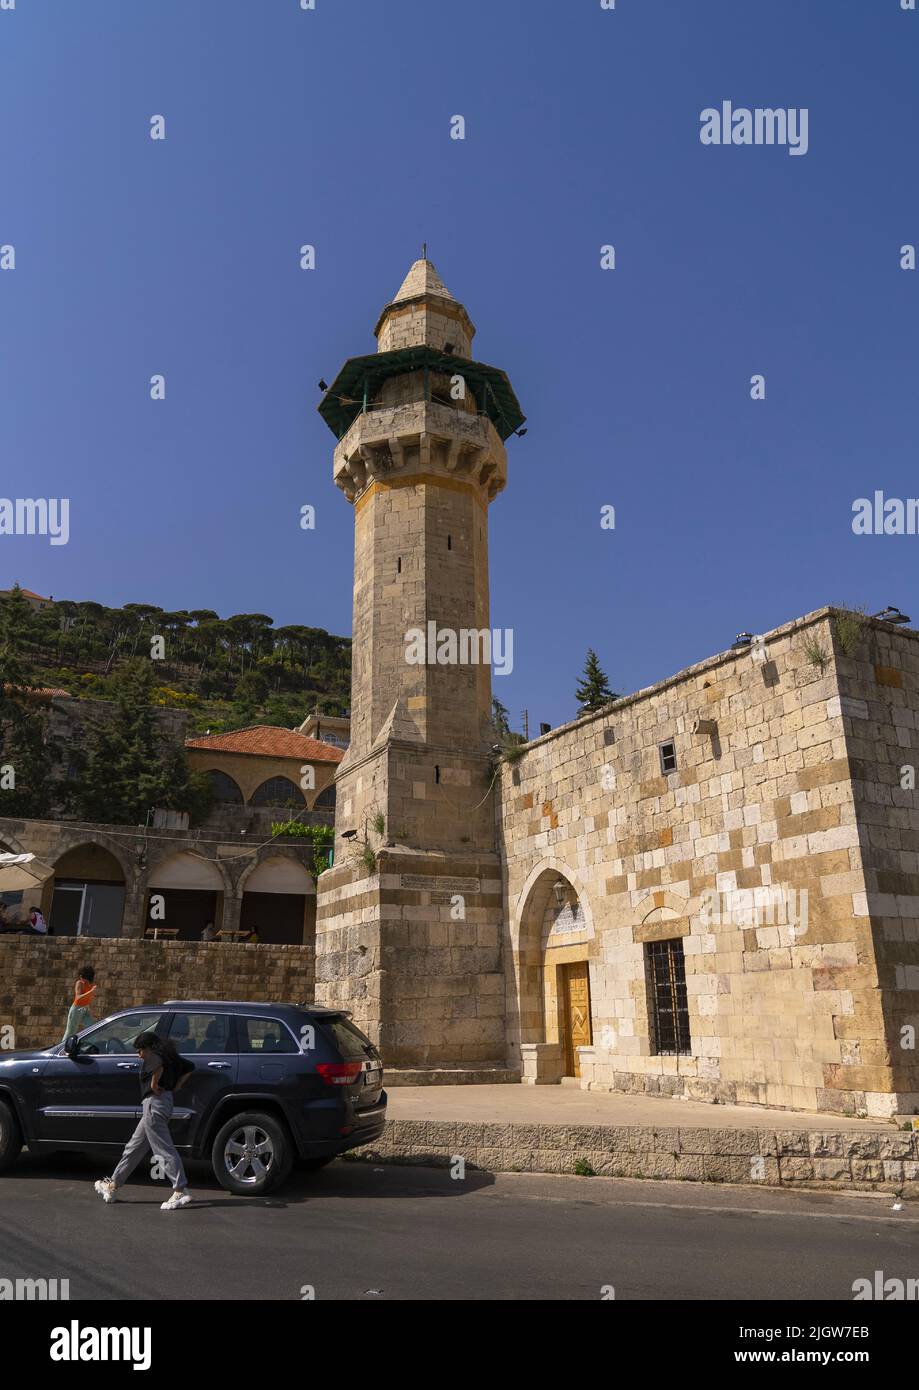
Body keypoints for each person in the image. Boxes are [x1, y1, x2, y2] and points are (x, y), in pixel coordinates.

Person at [94, 1032, 195, 1211]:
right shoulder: (170, 1056)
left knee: (163, 1149)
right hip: (163, 1103)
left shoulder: (156, 1057)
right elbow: (190, 1067)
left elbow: (159, 1065)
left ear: (149, 1048)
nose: (138, 1054)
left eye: (140, 1050)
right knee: (134, 1147)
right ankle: (113, 1186)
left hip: (154, 1105)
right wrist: (177, 1086)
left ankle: (180, 1190)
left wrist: (153, 1085)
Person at [62, 965, 96, 1042]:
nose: (80, 976)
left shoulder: (89, 985)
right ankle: (60, 1050)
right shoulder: (79, 983)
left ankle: (86, 1048)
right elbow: (78, 997)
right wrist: (91, 991)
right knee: (70, 1032)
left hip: (85, 1009)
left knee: (92, 1029)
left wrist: (90, 1009)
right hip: (76, 1009)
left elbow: (88, 999)